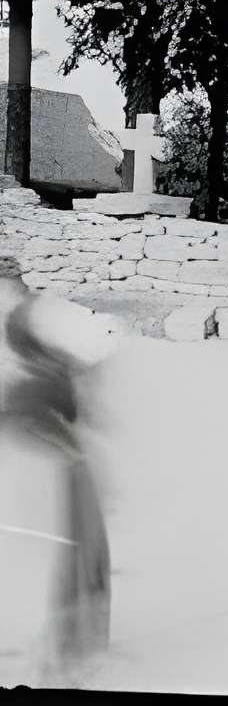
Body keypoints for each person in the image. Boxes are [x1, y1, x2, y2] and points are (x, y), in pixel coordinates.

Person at [0, 255, 114, 679]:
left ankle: (66, 648)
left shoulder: (34, 331)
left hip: (40, 446)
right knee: (72, 546)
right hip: (52, 453)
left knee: (66, 547)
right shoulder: (35, 332)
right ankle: (66, 649)